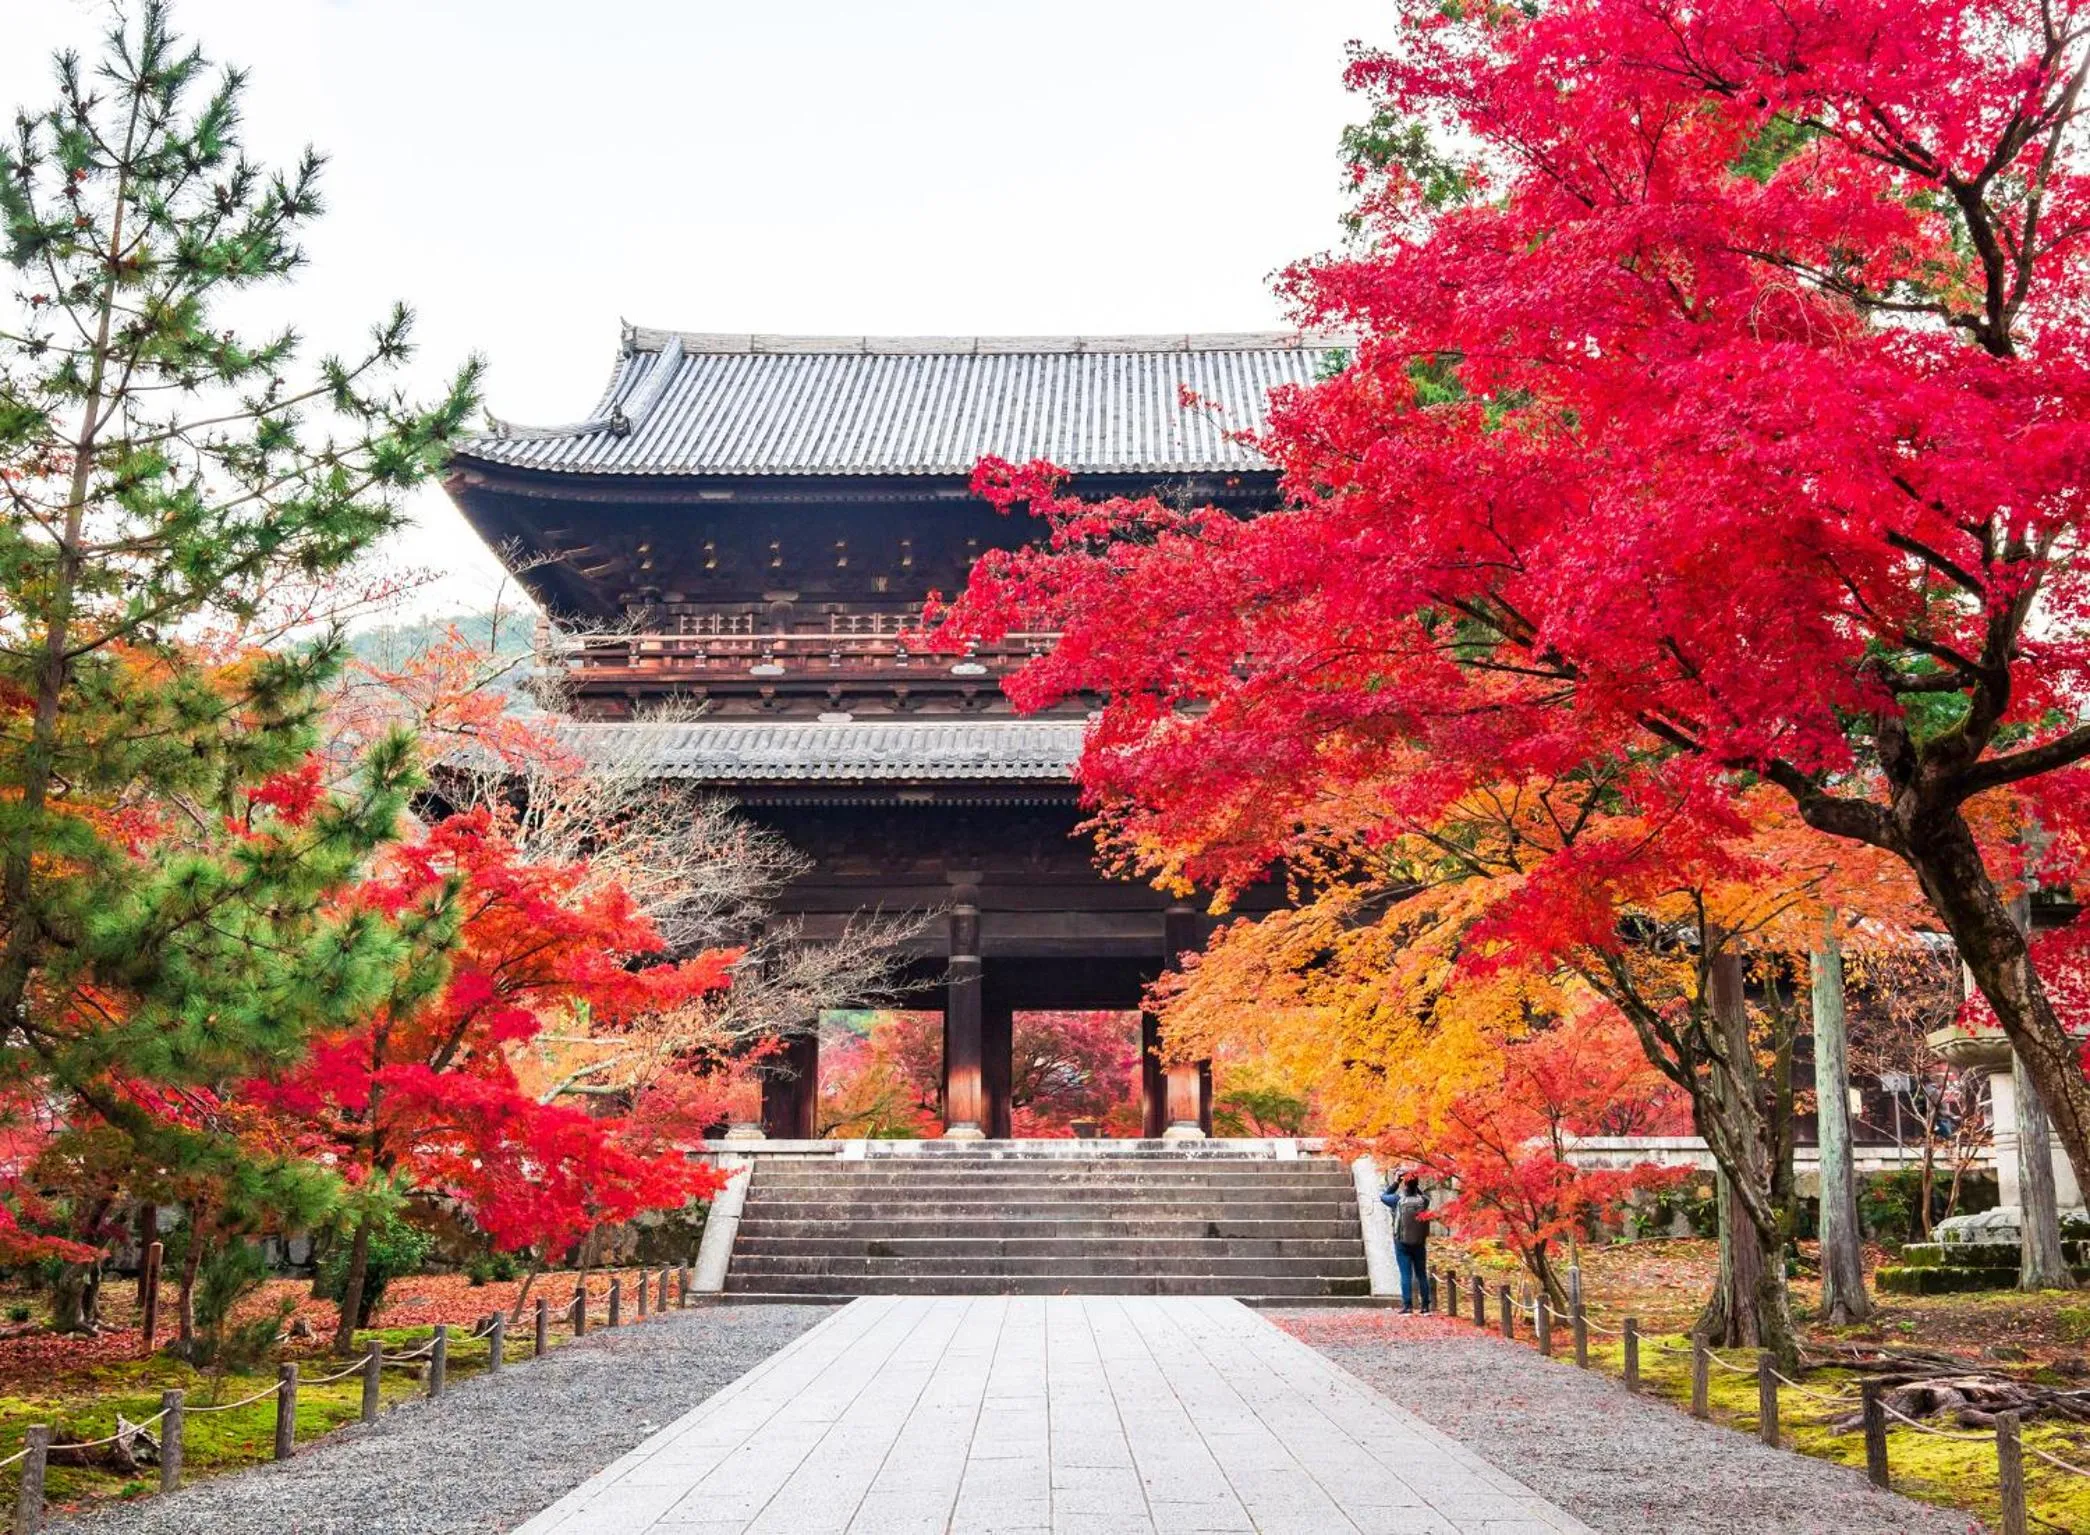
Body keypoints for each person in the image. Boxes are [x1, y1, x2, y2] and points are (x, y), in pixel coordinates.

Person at [1380, 1174, 1434, 1314]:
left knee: (1406, 1274)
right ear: (1417, 1185)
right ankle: (1425, 1306)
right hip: (1419, 1242)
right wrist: (1416, 1188)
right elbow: (1425, 1198)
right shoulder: (1423, 1201)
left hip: (1402, 1242)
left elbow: (1384, 1195)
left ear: (1405, 1185)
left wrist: (1397, 1182)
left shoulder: (1398, 1200)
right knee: (1421, 1273)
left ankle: (1408, 1306)